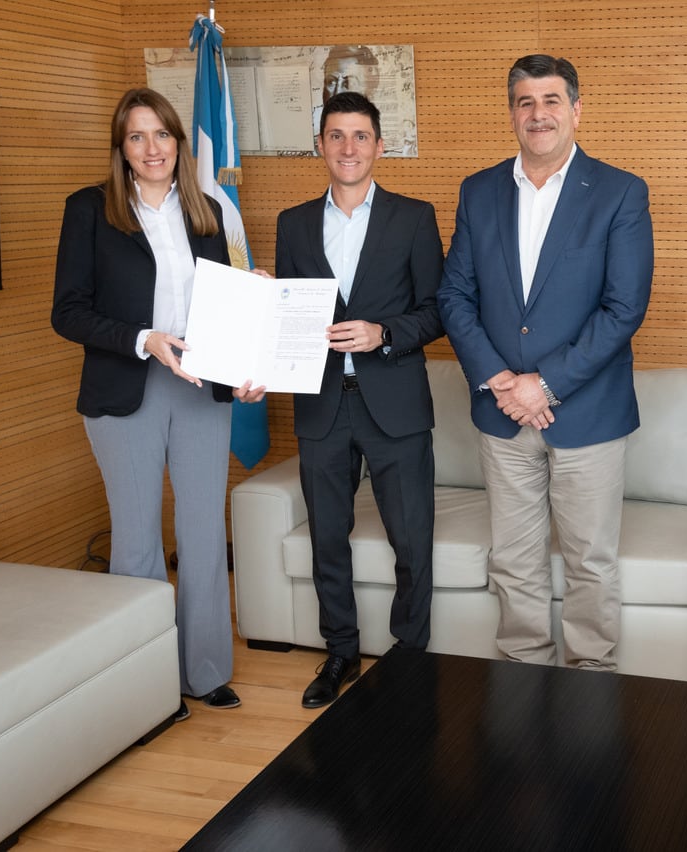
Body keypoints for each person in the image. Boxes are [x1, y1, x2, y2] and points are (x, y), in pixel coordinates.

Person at [52, 87, 266, 721]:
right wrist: (144, 339)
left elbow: (234, 295)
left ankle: (204, 672)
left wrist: (253, 308)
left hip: (202, 385)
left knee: (203, 533)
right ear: (121, 148)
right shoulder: (90, 210)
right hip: (127, 388)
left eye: (163, 135)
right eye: (137, 137)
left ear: (178, 141)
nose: (153, 149)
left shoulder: (212, 208)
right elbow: (68, 312)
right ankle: (145, 688)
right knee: (137, 538)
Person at [438, 54, 653, 670]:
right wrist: (503, 380)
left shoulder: (619, 192)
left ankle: (590, 684)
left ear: (576, 110)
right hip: (501, 411)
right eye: (525, 102)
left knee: (589, 561)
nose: (539, 114)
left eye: (552, 100)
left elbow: (623, 307)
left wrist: (546, 384)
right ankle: (525, 676)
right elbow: (455, 295)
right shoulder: (478, 192)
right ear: (511, 113)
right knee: (513, 558)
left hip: (585, 413)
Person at [276, 91, 444, 709]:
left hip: (394, 401)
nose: (349, 148)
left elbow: (436, 312)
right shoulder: (292, 224)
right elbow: (289, 316)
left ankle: (410, 655)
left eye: (361, 136)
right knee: (327, 538)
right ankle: (340, 654)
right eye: (336, 136)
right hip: (322, 404)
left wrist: (384, 334)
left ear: (379, 144)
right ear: (320, 144)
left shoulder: (414, 217)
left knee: (411, 539)